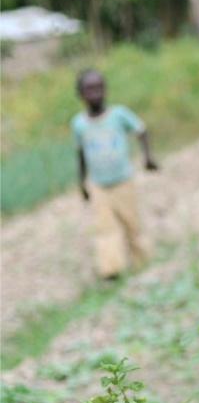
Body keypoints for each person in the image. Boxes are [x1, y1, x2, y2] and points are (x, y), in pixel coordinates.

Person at [72, 69, 158, 279]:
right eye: (89, 89)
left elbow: (141, 130)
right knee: (104, 228)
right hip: (98, 185)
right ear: (81, 94)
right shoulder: (79, 124)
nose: (95, 93)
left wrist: (148, 157)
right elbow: (81, 154)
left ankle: (143, 261)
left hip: (123, 181)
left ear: (105, 90)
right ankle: (111, 269)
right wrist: (82, 183)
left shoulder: (118, 115)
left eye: (99, 88)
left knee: (132, 223)